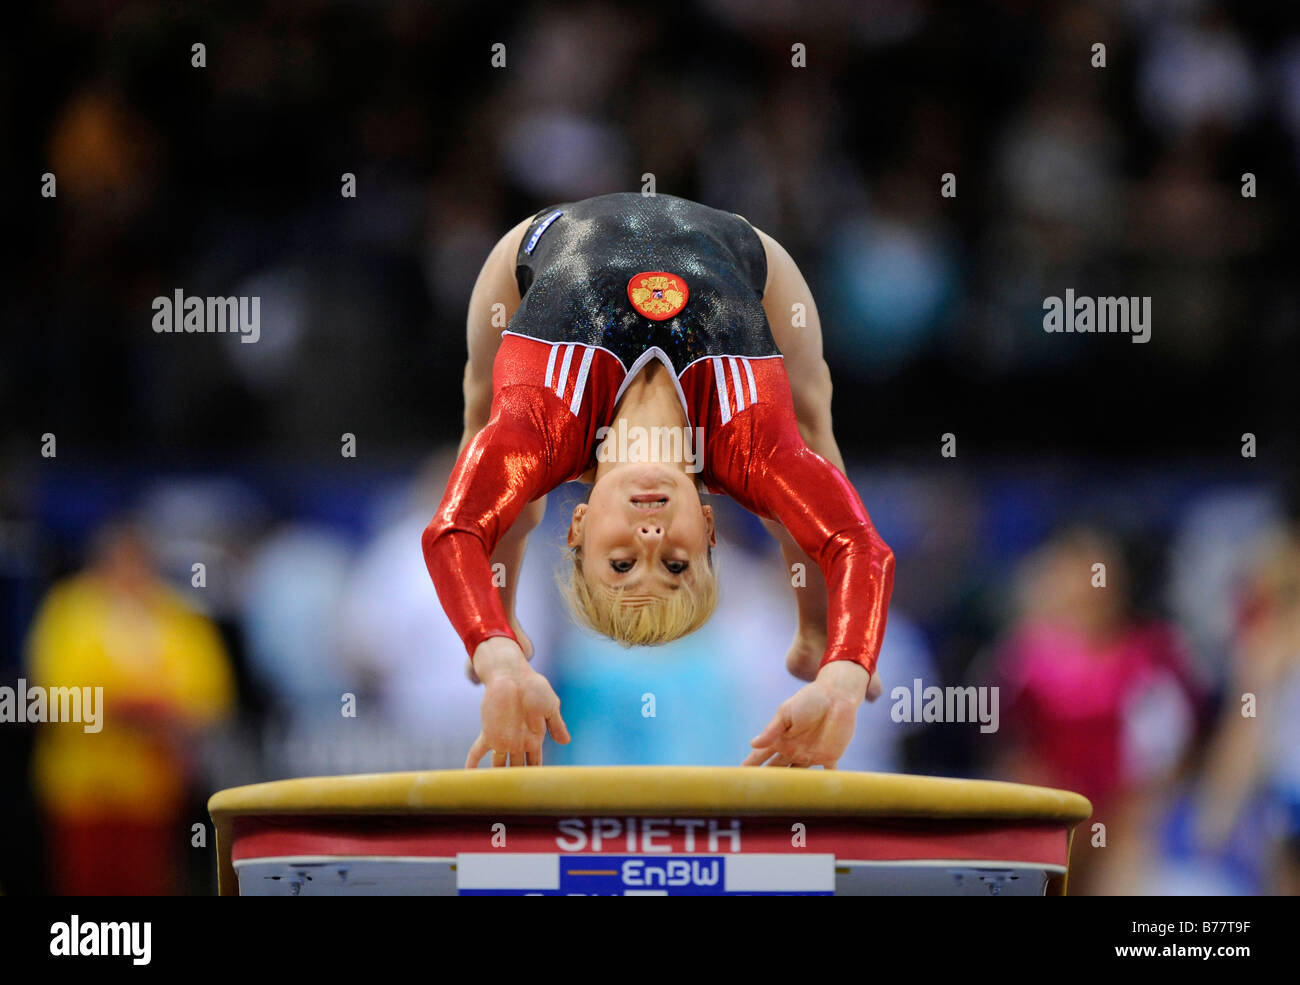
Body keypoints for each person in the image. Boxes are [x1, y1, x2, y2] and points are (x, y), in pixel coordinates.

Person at [422, 192, 894, 770]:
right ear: (710, 526)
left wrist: (496, 660)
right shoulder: (749, 445)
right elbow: (859, 545)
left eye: (620, 564)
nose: (649, 541)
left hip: (537, 245)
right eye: (676, 564)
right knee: (810, 439)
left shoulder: (544, 424)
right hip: (743, 248)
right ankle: (819, 633)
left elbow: (453, 528)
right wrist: (844, 677)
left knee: (489, 448)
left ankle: (501, 622)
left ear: (579, 524)